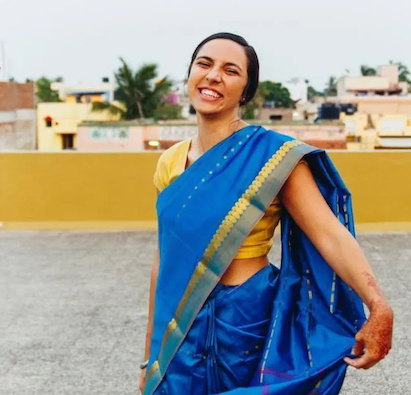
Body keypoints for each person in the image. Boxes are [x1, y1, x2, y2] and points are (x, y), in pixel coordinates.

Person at [139, 32, 393, 395]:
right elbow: (164, 259)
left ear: (245, 91)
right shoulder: (170, 163)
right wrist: (151, 356)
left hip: (247, 316)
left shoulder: (272, 158)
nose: (213, 76)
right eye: (204, 64)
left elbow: (329, 233)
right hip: (182, 319)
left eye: (231, 70)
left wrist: (377, 303)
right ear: (190, 74)